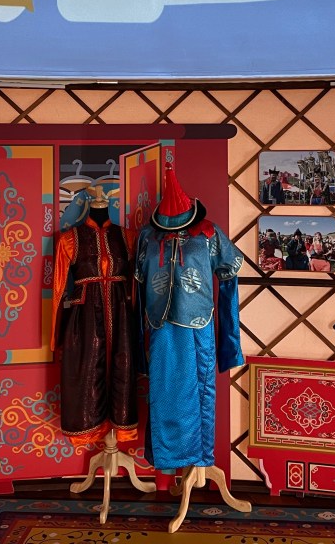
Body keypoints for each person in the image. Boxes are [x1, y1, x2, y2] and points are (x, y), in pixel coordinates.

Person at [135, 164, 244, 473]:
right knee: (163, 393)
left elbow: (229, 276)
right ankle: (169, 460)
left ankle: (198, 460)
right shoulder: (148, 237)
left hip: (198, 327)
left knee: (199, 391)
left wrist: (230, 342)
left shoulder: (208, 233)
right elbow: (138, 287)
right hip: (160, 328)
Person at [51, 185, 138, 446]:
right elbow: (58, 289)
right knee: (87, 371)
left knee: (123, 368)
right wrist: (56, 336)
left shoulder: (128, 237)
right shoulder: (70, 239)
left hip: (122, 316)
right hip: (85, 317)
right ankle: (90, 428)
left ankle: (121, 428)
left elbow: (137, 285)